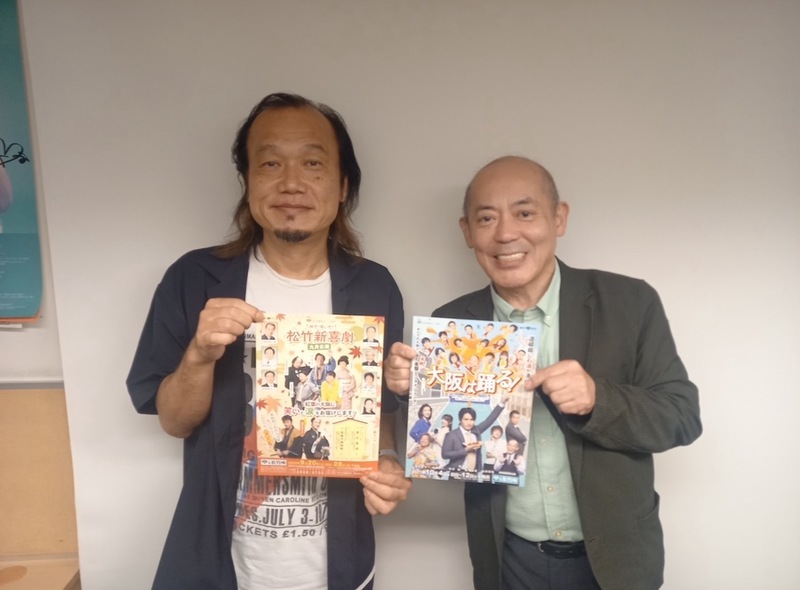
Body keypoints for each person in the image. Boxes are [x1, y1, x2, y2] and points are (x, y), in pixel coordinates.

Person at [127, 92, 410, 590]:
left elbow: (377, 411)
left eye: (313, 163)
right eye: (270, 163)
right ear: (248, 180)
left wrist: (386, 459)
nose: (291, 183)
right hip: (221, 562)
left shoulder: (374, 286)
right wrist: (200, 355)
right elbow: (174, 421)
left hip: (338, 562)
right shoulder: (194, 279)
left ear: (343, 185)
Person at [385, 156, 701, 590]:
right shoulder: (451, 325)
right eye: (486, 218)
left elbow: (682, 417)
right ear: (467, 232)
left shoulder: (630, 302)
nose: (505, 233)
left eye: (525, 213)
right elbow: (440, 445)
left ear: (559, 218)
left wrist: (598, 399)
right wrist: (408, 389)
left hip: (615, 560)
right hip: (509, 560)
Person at [441, 398, 507, 472]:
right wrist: (465, 450)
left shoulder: (476, 431)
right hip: (456, 472)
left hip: (473, 474)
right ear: (460, 420)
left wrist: (502, 403)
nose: (469, 423)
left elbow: (490, 420)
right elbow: (445, 455)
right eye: (466, 419)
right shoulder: (451, 435)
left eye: (471, 419)